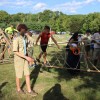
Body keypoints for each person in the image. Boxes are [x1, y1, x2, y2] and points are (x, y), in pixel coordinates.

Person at [13, 24, 37, 96]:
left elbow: (34, 42)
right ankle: (18, 89)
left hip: (25, 58)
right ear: (21, 29)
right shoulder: (16, 38)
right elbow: (15, 51)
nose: (26, 30)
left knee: (27, 74)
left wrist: (28, 35)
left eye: (26, 29)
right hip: (19, 59)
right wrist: (26, 57)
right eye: (25, 29)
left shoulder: (25, 37)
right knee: (19, 75)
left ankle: (29, 90)